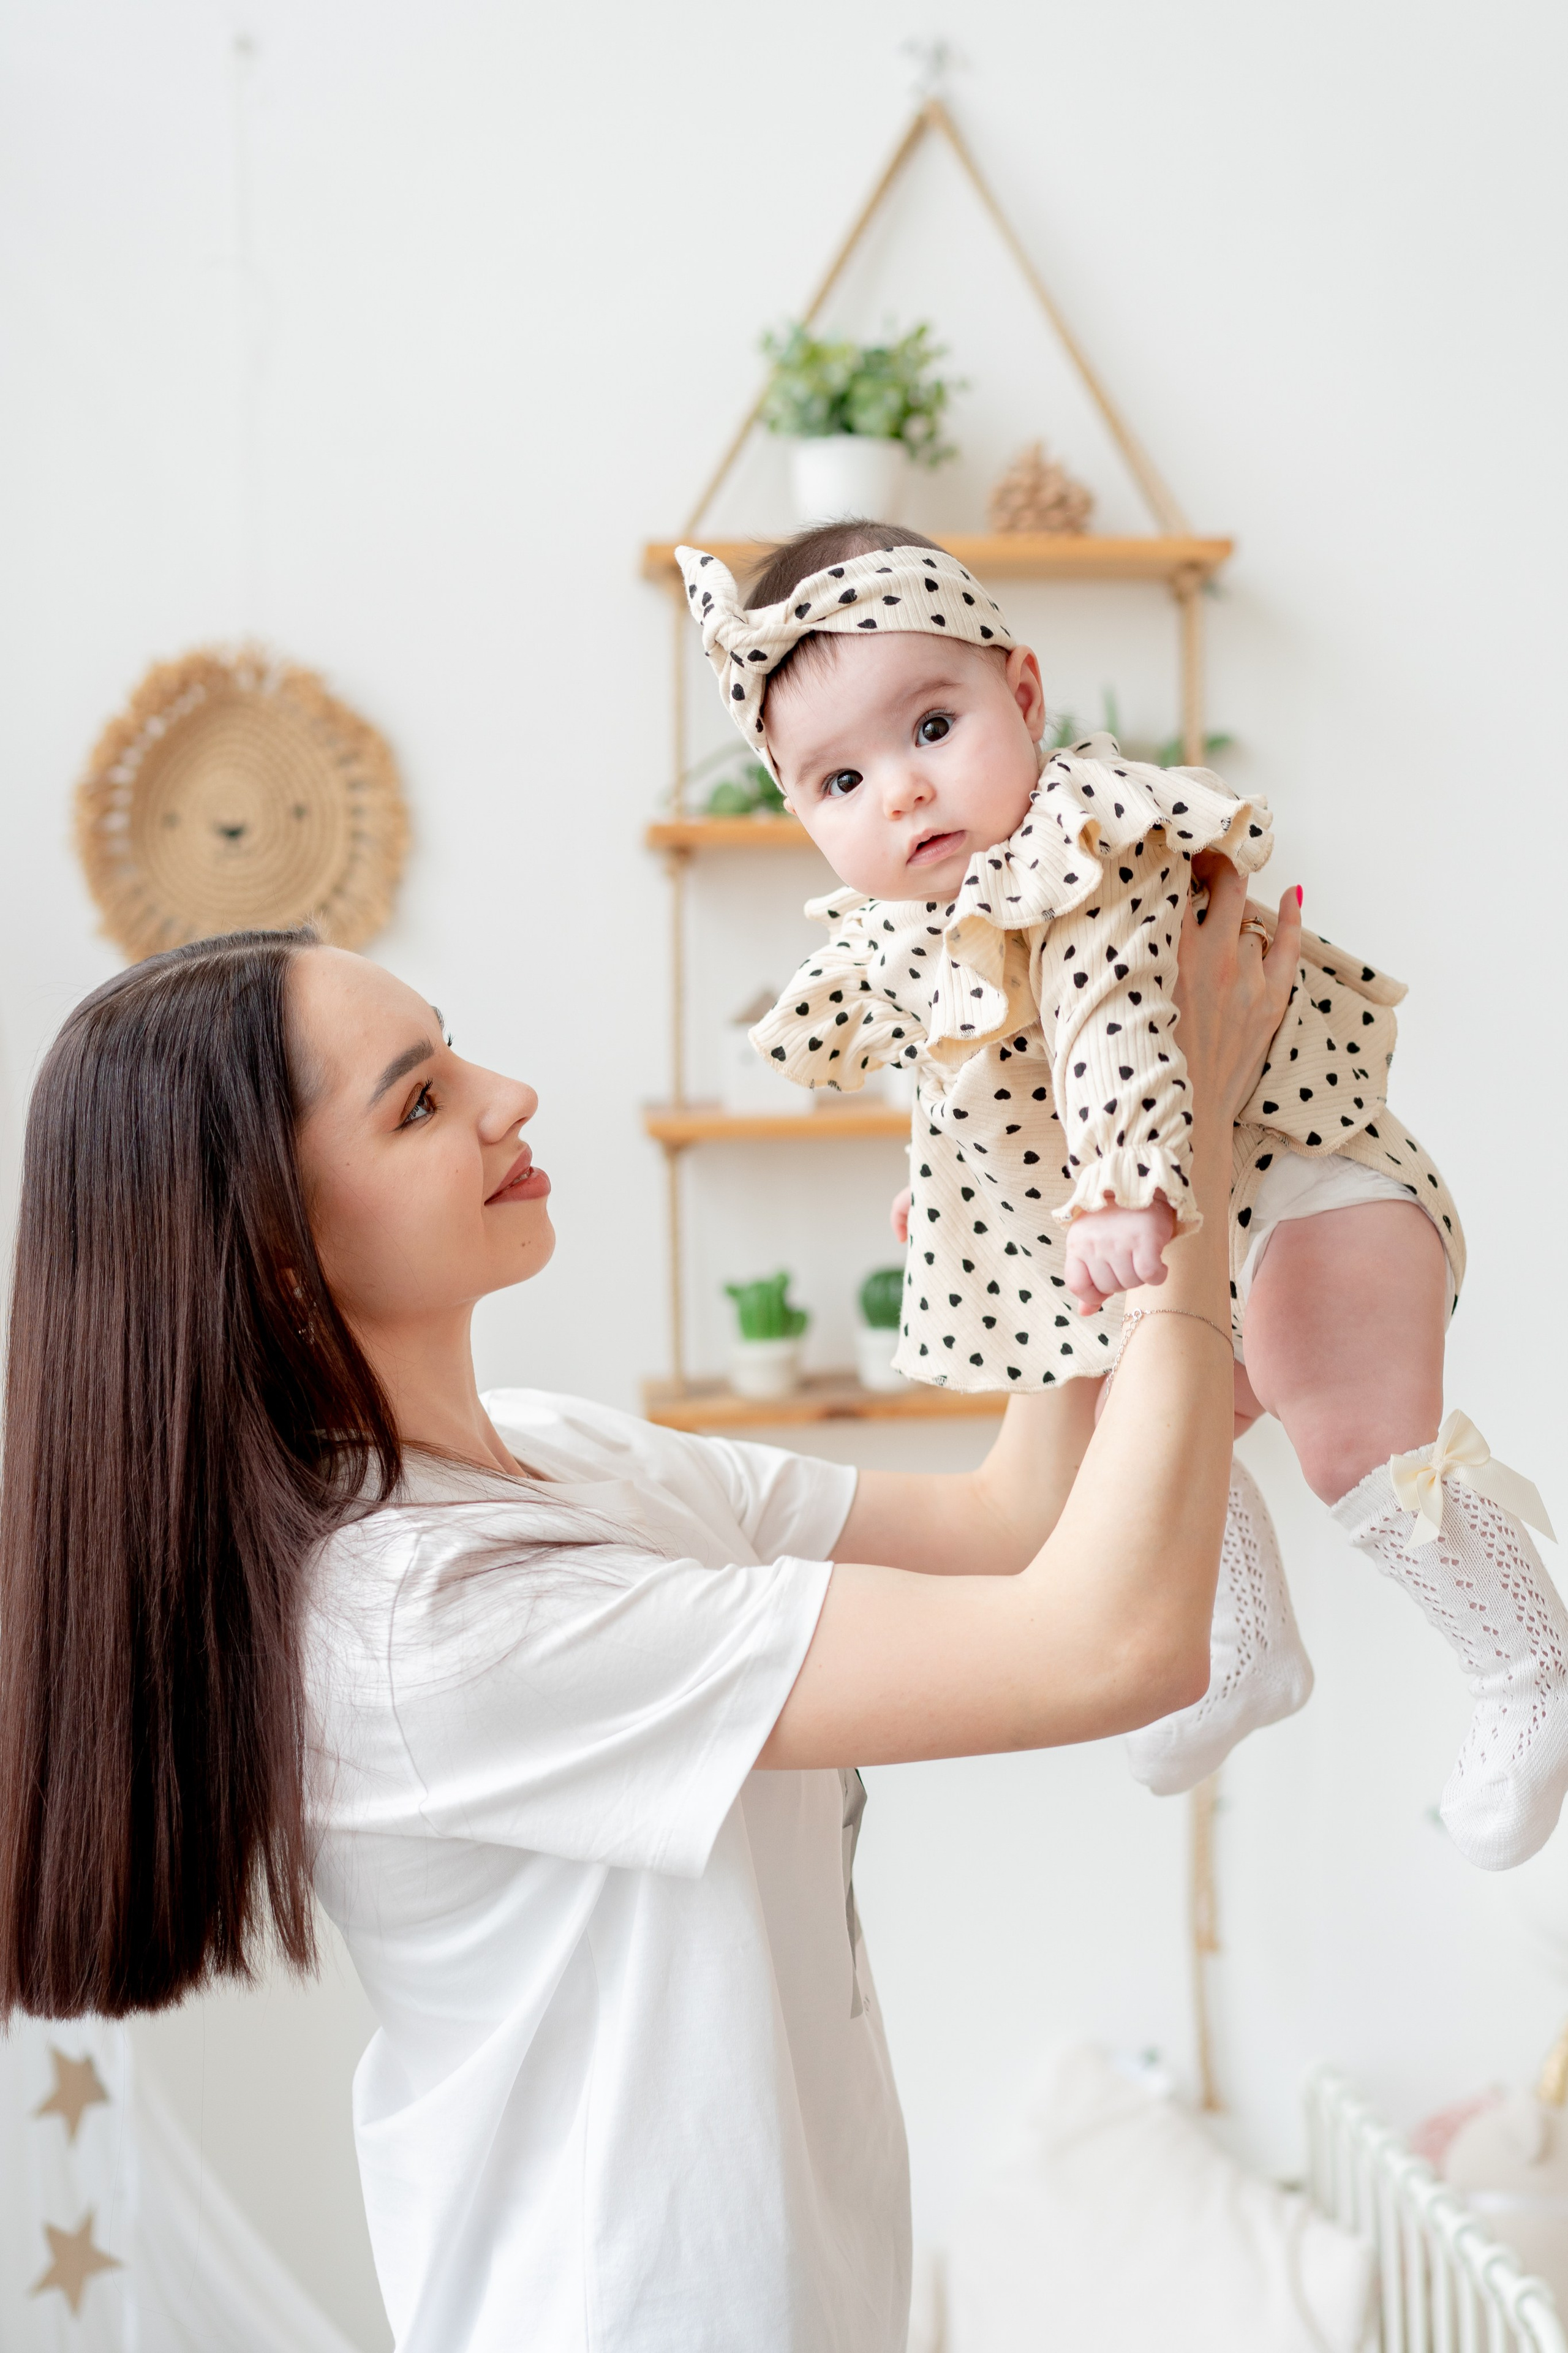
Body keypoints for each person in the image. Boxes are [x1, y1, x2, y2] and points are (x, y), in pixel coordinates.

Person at [1, 886, 1286, 2353]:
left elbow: (1008, 1529)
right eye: (421, 1104)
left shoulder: (564, 1455)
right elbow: (1105, 1647)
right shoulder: (413, 1618)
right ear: (279, 1255)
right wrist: (1171, 1164)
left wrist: (1068, 1197)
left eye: (454, 1054)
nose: (507, 1099)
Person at [677, 523, 1563, 1871]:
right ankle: (1238, 1643)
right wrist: (954, 1196)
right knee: (1129, 1416)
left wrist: (1118, 1183)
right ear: (796, 811)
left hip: (1308, 1179)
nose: (903, 794)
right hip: (1201, 1214)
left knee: (1341, 1432)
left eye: (930, 726)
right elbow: (964, 1076)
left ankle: (1525, 1665)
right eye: (842, 777)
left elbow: (1110, 1033)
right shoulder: (919, 927)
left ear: (1023, 696)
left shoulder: (1083, 851)